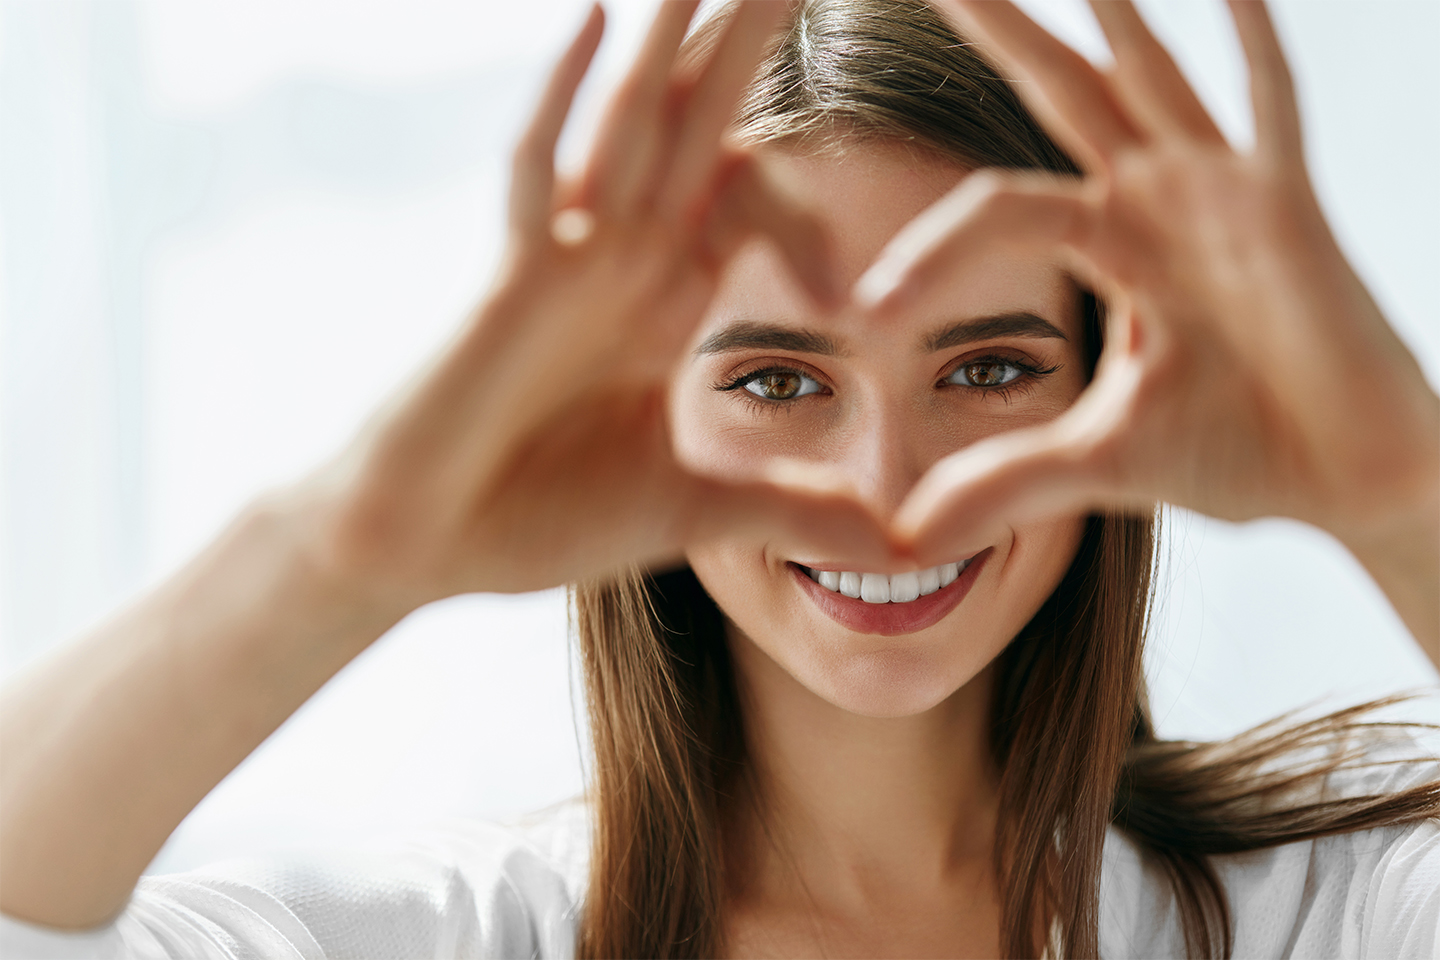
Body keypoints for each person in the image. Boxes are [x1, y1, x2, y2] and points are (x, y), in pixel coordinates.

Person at [1, 0, 1436, 957]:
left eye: (990, 368)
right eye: (776, 380)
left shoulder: (1327, 911)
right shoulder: (444, 933)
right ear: (649, 411)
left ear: (1109, 381)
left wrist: (1404, 493)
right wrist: (341, 554)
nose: (886, 481)